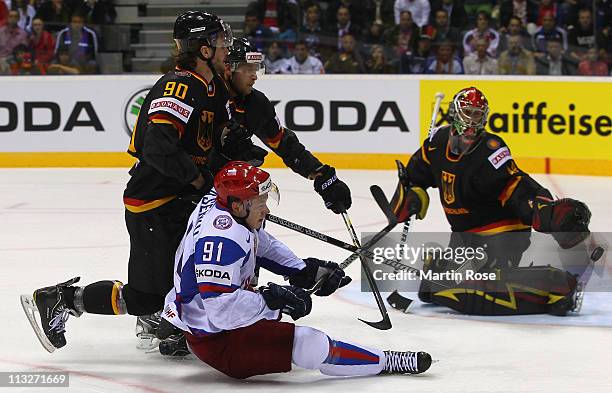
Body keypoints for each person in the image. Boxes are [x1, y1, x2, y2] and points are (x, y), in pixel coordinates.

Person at [21, 10, 234, 353]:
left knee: (188, 273)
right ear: (203, 49)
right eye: (220, 41)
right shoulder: (179, 84)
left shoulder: (211, 88)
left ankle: (162, 323)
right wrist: (197, 180)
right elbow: (158, 146)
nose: (227, 46)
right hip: (154, 202)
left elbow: (210, 144)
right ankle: (60, 299)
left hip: (179, 198)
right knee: (145, 295)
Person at [160, 160, 432, 379]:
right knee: (311, 344)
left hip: (204, 317)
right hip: (218, 340)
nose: (266, 209)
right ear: (238, 204)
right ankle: (388, 361)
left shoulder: (224, 209)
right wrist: (274, 301)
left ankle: (186, 339)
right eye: (260, 202)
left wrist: (301, 271)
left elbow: (259, 243)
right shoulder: (220, 241)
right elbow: (221, 312)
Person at [386, 87, 591, 316]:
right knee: (433, 289)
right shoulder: (436, 143)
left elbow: (515, 185)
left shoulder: (491, 151)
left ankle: (556, 283)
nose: (473, 119)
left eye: (477, 114)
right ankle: (446, 269)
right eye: (468, 112)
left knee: (462, 291)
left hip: (502, 235)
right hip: (465, 237)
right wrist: (411, 195)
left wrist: (545, 211)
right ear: (455, 113)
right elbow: (415, 175)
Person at [222, 37, 352, 214]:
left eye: (255, 68)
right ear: (230, 69)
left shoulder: (256, 103)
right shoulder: (209, 96)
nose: (254, 76)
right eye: (247, 69)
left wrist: (319, 173)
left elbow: (283, 143)